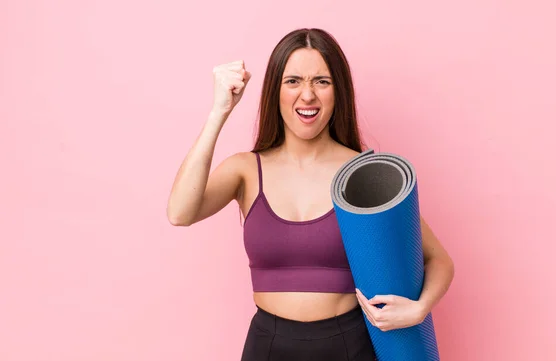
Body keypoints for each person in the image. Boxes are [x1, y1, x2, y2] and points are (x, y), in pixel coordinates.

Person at [166, 28, 454, 361]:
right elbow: (179, 213)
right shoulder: (244, 170)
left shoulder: (362, 173)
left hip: (350, 346)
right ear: (275, 91)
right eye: (293, 81)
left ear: (339, 92)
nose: (307, 96)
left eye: (322, 81)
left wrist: (417, 310)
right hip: (267, 346)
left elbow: (439, 260)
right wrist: (219, 112)